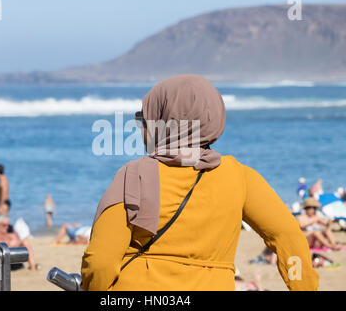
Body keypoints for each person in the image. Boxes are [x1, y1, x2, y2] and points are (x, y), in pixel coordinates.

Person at [80, 75, 319, 291]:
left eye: (145, 118)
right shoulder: (241, 177)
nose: (141, 127)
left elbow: (100, 261)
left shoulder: (133, 175)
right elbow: (288, 236)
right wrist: (304, 286)